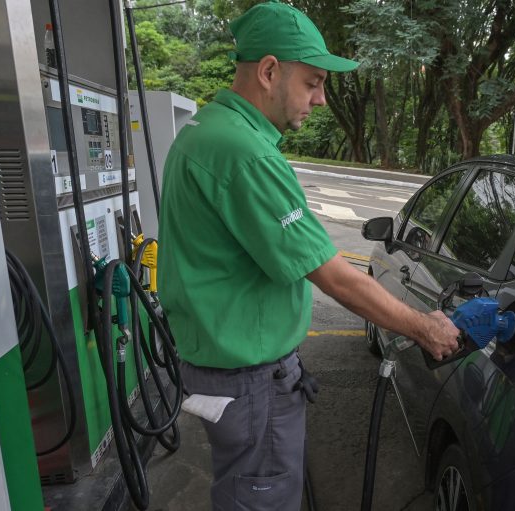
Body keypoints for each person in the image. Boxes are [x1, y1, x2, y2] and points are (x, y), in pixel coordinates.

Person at [157, 2, 460, 510]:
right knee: (261, 500)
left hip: (221, 372)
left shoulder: (204, 130)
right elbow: (334, 277)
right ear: (270, 71)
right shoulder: (245, 152)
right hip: (250, 384)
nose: (321, 100)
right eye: (313, 82)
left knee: (243, 492)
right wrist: (425, 328)